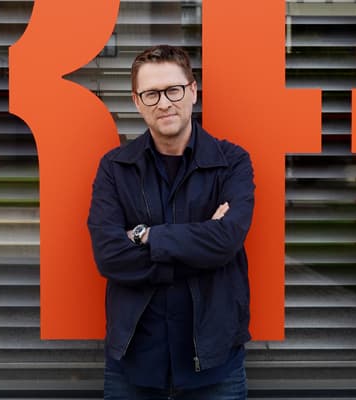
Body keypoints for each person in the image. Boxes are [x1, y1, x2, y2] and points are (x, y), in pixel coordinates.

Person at [88, 44, 255, 400]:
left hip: (215, 362)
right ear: (137, 102)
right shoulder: (115, 168)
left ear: (192, 91)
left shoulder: (232, 162)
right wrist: (199, 248)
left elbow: (226, 241)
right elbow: (108, 255)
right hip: (134, 360)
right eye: (151, 94)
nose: (164, 103)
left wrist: (145, 236)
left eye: (173, 90)